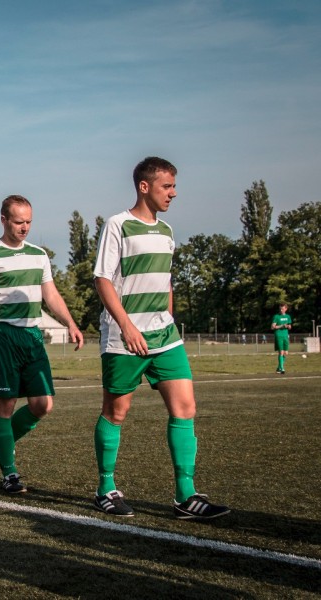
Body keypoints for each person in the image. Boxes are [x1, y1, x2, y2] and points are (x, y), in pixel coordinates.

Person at [92, 156, 230, 520]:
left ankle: (186, 495)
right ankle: (105, 488)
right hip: (124, 337)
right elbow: (102, 279)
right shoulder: (118, 225)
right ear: (144, 187)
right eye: (167, 186)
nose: (173, 193)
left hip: (165, 335)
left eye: (174, 186)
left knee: (185, 408)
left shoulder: (167, 231)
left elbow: (166, 281)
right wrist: (127, 326)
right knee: (116, 412)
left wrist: (168, 317)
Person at [0, 195, 84, 493]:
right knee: (6, 404)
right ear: (4, 220)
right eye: (19, 222)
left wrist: (70, 323)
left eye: (29, 222)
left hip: (32, 336)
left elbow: (51, 294)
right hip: (1, 335)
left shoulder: (39, 254)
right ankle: (9, 473)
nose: (24, 227)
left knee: (42, 404)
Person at [271, 303, 292, 374]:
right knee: (281, 352)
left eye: (282, 309)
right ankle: (282, 368)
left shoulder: (288, 316)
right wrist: (282, 325)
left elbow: (290, 326)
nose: (281, 310)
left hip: (285, 335)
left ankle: (279, 368)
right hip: (279, 335)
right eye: (280, 309)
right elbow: (272, 327)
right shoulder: (276, 316)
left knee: (286, 353)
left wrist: (288, 326)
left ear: (286, 309)